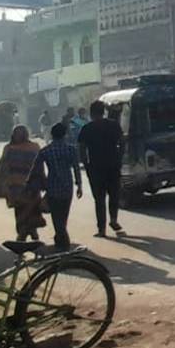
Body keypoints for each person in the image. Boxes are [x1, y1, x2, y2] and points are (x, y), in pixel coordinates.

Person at [30, 122, 82, 251]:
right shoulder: (71, 149)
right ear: (64, 134)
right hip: (67, 186)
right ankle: (61, 238)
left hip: (52, 186)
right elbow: (76, 168)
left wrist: (32, 183)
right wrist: (79, 185)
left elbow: (35, 169)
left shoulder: (45, 151)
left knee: (56, 216)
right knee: (64, 214)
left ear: (52, 135)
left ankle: (62, 239)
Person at [78, 100, 125, 238]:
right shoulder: (113, 125)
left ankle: (101, 229)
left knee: (99, 199)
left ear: (91, 113)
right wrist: (119, 158)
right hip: (113, 165)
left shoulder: (87, 128)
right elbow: (122, 142)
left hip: (95, 168)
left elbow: (81, 148)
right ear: (103, 112)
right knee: (114, 195)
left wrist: (86, 164)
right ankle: (114, 219)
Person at [0, 124, 44, 240]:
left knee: (30, 209)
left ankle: (26, 233)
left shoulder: (33, 147)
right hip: (16, 186)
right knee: (22, 210)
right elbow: (1, 167)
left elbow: (40, 166)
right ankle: (26, 233)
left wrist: (42, 180)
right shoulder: (11, 148)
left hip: (30, 185)